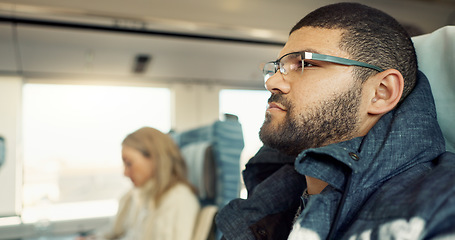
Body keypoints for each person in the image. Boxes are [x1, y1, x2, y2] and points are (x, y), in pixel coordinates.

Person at [215, 2, 455, 240]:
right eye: (278, 67)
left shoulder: (440, 208)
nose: (272, 83)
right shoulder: (273, 193)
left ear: (381, 92)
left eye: (306, 63)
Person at [84, 127, 200, 240]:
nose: (125, 173)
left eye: (129, 163)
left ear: (155, 159)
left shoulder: (178, 200)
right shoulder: (141, 195)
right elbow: (119, 232)